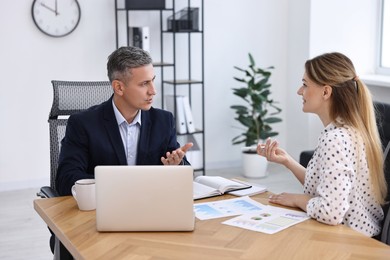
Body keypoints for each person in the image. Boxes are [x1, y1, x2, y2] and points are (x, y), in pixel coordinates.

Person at [257, 52, 387, 237]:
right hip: (358, 236)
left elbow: (331, 212)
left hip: (350, 242)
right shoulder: (350, 131)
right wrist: (288, 161)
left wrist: (297, 199)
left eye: (305, 84)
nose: (299, 91)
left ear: (326, 92)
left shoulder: (335, 139)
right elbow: (328, 187)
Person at [56, 46, 193, 196]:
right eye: (144, 83)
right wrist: (125, 187)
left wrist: (177, 166)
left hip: (150, 207)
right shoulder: (82, 124)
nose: (153, 90)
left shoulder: (163, 121)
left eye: (152, 81)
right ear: (119, 87)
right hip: (103, 209)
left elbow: (182, 174)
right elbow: (66, 179)